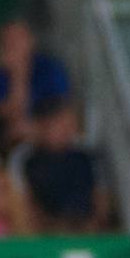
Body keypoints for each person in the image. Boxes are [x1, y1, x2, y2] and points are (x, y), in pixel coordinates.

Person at [10, 97, 111, 234]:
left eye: (70, 124)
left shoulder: (86, 155)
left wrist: (91, 227)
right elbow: (21, 204)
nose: (68, 130)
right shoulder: (24, 158)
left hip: (87, 231)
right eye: (60, 124)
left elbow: (101, 201)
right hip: (46, 235)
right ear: (41, 126)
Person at [0, 18, 71, 153]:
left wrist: (36, 129)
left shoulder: (49, 68)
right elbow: (10, 117)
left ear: (31, 41)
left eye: (18, 39)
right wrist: (17, 74)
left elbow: (62, 110)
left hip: (48, 137)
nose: (13, 45)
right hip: (7, 145)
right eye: (7, 41)